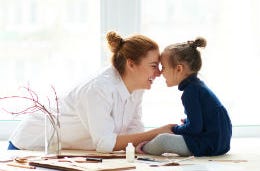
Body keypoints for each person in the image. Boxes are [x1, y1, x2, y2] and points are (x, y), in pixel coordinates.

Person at [7, 31, 173, 152]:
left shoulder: (136, 88)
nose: (159, 73)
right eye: (153, 66)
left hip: (65, 152)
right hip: (29, 148)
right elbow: (105, 144)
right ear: (131, 64)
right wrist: (158, 132)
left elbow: (134, 130)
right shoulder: (99, 89)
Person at [136, 37, 232, 157]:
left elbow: (194, 128)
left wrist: (175, 129)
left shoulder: (190, 92)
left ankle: (143, 148)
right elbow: (204, 121)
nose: (160, 73)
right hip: (222, 144)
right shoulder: (198, 87)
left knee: (163, 140)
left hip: (209, 145)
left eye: (163, 67)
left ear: (179, 69)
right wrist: (187, 123)